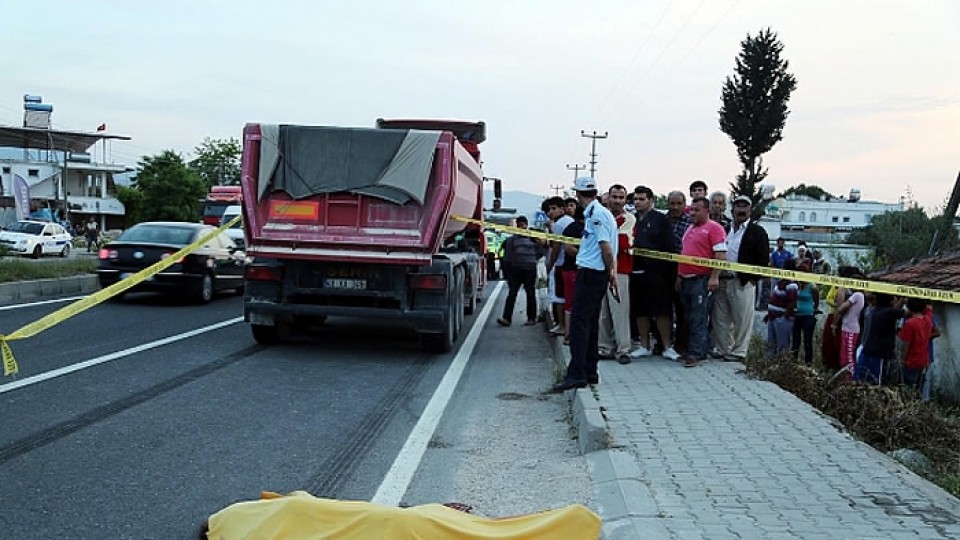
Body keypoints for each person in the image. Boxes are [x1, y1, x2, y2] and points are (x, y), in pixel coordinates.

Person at [553, 177, 618, 392]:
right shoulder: (596, 212)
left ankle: (577, 373)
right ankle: (590, 371)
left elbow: (606, 247)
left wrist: (611, 273)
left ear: (578, 194)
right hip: (594, 273)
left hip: (592, 273)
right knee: (589, 325)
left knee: (580, 326)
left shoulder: (596, 214)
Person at [711, 195, 769, 362]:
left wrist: (752, 279)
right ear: (733, 209)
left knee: (742, 319)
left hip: (742, 281)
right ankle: (722, 349)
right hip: (722, 279)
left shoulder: (757, 231)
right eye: (738, 206)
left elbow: (763, 258)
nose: (741, 209)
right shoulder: (724, 229)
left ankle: (739, 352)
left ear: (750, 210)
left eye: (745, 206)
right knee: (720, 318)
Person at [675, 196, 727, 368]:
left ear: (707, 211)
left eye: (697, 210)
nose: (693, 213)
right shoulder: (690, 228)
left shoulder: (715, 229)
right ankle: (690, 349)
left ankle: (697, 353)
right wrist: (679, 276)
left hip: (701, 279)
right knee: (688, 317)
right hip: (686, 279)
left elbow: (720, 255)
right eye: (692, 210)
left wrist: (714, 277)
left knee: (699, 317)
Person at [630, 186, 680, 361]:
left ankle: (667, 346)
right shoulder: (632, 219)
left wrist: (670, 275)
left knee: (661, 311)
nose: (637, 202)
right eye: (635, 199)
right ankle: (644, 345)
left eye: (641, 199)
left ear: (650, 201)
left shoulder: (661, 220)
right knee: (640, 311)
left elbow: (670, 248)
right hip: (635, 273)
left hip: (658, 275)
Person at [598, 184, 636, 364]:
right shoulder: (601, 216)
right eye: (615, 197)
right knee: (602, 312)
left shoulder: (629, 219)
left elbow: (620, 242)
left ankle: (624, 349)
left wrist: (604, 238)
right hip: (599, 269)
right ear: (608, 198)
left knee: (620, 311)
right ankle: (604, 347)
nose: (618, 201)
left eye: (622, 198)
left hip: (620, 270)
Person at [497, 216, 543, 327]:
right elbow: (507, 257)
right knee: (512, 293)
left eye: (523, 224)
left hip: (530, 269)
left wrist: (532, 259)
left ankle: (531, 318)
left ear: (526, 225)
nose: (521, 227)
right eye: (519, 225)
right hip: (516, 270)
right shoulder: (511, 240)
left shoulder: (533, 238)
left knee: (530, 293)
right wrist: (507, 273)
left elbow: (541, 251)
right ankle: (506, 318)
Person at [854, 293, 903, 383]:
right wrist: (903, 298)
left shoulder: (874, 310)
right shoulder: (889, 312)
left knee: (863, 379)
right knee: (876, 380)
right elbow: (904, 313)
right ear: (890, 301)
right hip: (879, 353)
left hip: (868, 349)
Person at [665, 190, 691, 353]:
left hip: (683, 268)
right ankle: (664, 343)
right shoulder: (662, 220)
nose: (675, 207)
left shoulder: (690, 222)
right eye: (672, 203)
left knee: (683, 310)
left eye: (679, 203)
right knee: (663, 309)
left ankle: (681, 345)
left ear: (684, 204)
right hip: (662, 270)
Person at [544, 197, 573, 336]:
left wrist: (550, 265)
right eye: (549, 209)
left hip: (560, 264)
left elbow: (555, 247)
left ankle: (562, 325)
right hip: (568, 264)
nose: (551, 212)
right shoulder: (568, 221)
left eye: (554, 208)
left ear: (562, 208)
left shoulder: (559, 224)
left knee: (559, 297)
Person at [559, 205, 585, 345]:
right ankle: (569, 334)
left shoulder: (576, 227)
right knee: (572, 302)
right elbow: (568, 248)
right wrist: (585, 257)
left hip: (575, 269)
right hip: (572, 270)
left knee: (573, 303)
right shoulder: (574, 229)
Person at [834, 273, 866, 381]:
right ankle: (844, 378)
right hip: (846, 327)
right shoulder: (855, 295)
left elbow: (841, 308)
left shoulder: (857, 295)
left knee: (849, 357)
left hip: (852, 329)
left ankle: (850, 379)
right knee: (843, 356)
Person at [898, 297, 934, 390]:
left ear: (909, 308)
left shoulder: (910, 323)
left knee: (906, 389)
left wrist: (902, 360)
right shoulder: (928, 320)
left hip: (910, 361)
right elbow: (929, 308)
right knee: (919, 388)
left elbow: (905, 345)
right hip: (923, 360)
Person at [766, 259, 798, 357]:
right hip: (773, 317)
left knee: (782, 346)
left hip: (782, 319)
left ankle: (781, 367)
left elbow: (792, 302)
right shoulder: (781, 282)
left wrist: (785, 317)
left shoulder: (792, 284)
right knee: (771, 345)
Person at [790, 260, 820, 365]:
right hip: (797, 315)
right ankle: (793, 361)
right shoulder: (796, 285)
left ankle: (808, 363)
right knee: (795, 340)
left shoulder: (812, 286)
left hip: (808, 315)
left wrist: (814, 308)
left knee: (807, 341)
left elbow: (817, 299)